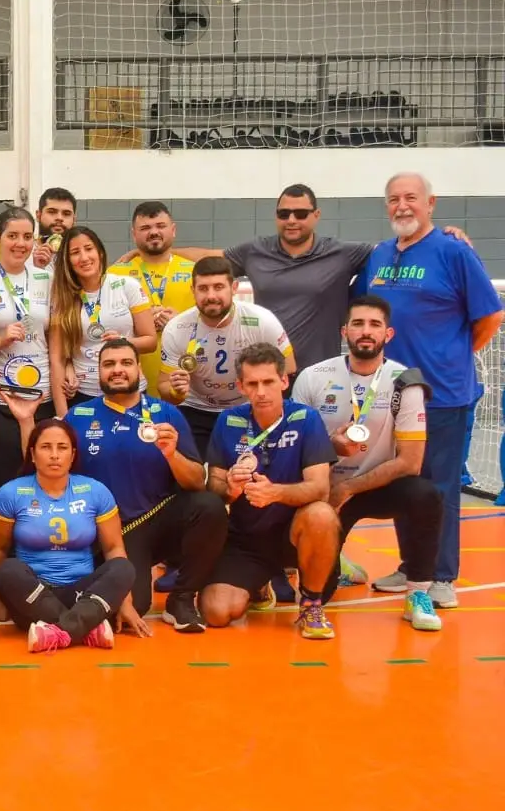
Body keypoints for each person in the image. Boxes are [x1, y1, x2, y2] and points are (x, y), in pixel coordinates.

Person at [360, 173, 503, 607]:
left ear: (430, 203)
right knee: (407, 483)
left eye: (411, 198)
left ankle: (442, 575)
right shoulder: (379, 256)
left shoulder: (454, 251)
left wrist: (455, 354)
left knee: (440, 486)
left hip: (444, 393)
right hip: (395, 393)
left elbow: (490, 317)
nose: (402, 206)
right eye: (394, 200)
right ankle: (413, 566)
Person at [159, 183, 470, 370]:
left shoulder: (343, 253)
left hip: (322, 374)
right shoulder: (255, 250)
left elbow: (399, 247)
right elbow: (212, 258)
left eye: (300, 213)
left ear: (316, 216)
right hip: (268, 372)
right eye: (284, 214)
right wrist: (156, 254)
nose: (292, 220)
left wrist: (441, 236)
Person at [291, 296, 443, 631]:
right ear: (344, 331)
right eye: (358, 324)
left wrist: (349, 487)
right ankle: (335, 562)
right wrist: (330, 448)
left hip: (376, 486)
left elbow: (410, 462)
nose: (365, 331)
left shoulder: (406, 381)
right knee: (320, 592)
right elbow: (295, 448)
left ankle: (418, 593)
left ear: (388, 335)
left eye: (374, 325)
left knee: (425, 495)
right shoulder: (313, 377)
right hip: (323, 490)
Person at [70, 339, 228, 633]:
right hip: (111, 532)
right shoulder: (78, 417)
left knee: (210, 507)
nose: (118, 370)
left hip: (156, 520)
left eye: (126, 363)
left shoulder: (165, 413)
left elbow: (196, 481)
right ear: (98, 372)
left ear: (139, 370)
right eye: (109, 364)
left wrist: (171, 454)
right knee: (135, 605)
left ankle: (182, 598)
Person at [201, 344, 340, 638]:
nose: (261, 392)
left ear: (284, 381)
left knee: (322, 515)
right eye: (252, 384)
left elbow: (320, 488)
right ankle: (258, 586)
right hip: (247, 538)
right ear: (240, 385)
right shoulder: (228, 421)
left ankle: (311, 604)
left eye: (268, 382)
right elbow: (213, 481)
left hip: (294, 533)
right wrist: (230, 487)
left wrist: (275, 493)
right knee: (215, 613)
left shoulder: (306, 419)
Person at [0, 418, 136, 653]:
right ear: (33, 454)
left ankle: (59, 632)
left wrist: (126, 601)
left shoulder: (95, 491)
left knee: (123, 567)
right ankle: (86, 627)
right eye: (46, 447)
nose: (54, 455)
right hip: (33, 597)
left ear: (73, 454)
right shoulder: (10, 493)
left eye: (62, 447)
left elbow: (114, 548)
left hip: (83, 593)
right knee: (9, 570)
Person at [0, 208, 55, 538]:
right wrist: (1, 339)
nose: (20, 243)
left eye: (28, 237)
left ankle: (39, 548)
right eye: (13, 236)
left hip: (40, 392)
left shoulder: (47, 278)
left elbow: (56, 337)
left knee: (43, 475)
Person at [157, 256, 294, 456]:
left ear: (234, 287)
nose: (211, 296)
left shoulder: (262, 320)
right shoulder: (177, 328)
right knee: (196, 478)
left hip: (250, 408)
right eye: (203, 288)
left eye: (219, 287)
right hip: (197, 410)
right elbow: (163, 387)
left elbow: (288, 369)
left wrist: (262, 401)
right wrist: (176, 392)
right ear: (192, 290)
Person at [48, 226, 156, 418]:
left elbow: (150, 341)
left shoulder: (126, 286)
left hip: (129, 390)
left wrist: (124, 342)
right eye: (75, 252)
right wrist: (62, 414)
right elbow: (56, 358)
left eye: (88, 249)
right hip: (84, 394)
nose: (84, 257)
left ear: (99, 251)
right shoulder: (62, 297)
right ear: (67, 261)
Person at [108, 201, 196, 397]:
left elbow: (213, 323)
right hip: (133, 381)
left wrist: (180, 322)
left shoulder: (194, 271)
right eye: (145, 228)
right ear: (134, 234)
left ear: (173, 230)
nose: (153, 232)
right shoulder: (115, 274)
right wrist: (142, 322)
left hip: (184, 382)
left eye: (160, 226)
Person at [28, 186, 77, 270]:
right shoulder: (25, 253)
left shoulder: (80, 256)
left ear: (74, 220)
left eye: (66, 213)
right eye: (52, 212)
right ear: (38, 215)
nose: (59, 218)